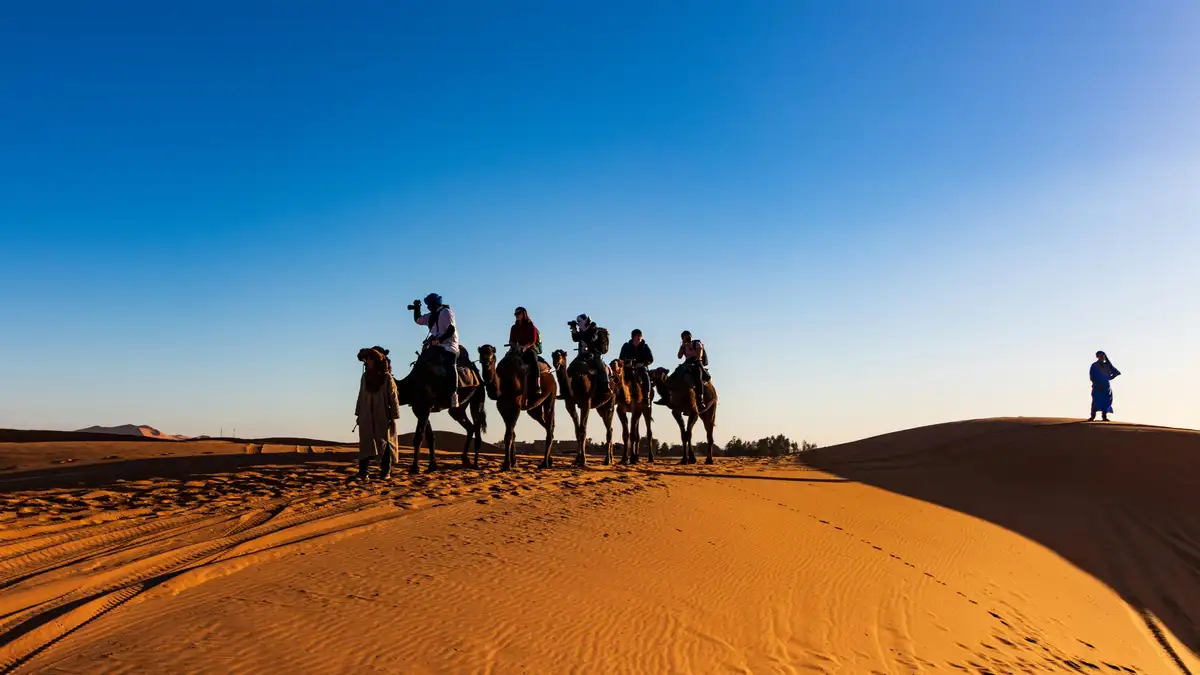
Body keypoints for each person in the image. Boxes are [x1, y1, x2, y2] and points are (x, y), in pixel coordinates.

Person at [355, 347, 400, 480]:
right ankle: (364, 471)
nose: (367, 361)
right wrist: (358, 414)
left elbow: (393, 397)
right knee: (365, 442)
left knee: (384, 442)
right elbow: (361, 394)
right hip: (366, 413)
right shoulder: (365, 376)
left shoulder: (387, 378)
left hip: (382, 413)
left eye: (369, 358)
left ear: (375, 360)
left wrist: (394, 416)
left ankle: (386, 471)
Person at [410, 293, 460, 407]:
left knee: (450, 364)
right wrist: (416, 308)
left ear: (435, 304)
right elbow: (418, 320)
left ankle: (453, 394)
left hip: (449, 345)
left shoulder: (446, 312)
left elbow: (451, 329)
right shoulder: (431, 316)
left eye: (430, 304)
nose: (428, 307)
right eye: (427, 305)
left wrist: (439, 340)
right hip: (434, 346)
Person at [659, 330, 708, 407]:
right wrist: (683, 346)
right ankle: (666, 397)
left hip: (696, 363)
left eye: (688, 337)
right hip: (687, 363)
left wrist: (691, 346)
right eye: (684, 338)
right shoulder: (684, 346)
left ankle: (700, 400)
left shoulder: (697, 344)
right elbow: (679, 356)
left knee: (698, 377)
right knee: (673, 376)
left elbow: (699, 356)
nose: (687, 339)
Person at [568, 314, 610, 392]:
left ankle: (606, 384)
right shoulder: (582, 331)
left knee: (600, 366)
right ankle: (567, 389)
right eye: (578, 322)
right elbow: (576, 338)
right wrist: (574, 330)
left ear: (585, 321)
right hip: (582, 355)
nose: (578, 323)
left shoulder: (594, 330)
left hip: (594, 354)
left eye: (579, 321)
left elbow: (591, 338)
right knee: (570, 368)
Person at [509, 306, 543, 396]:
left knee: (533, 358)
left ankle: (537, 384)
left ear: (523, 314)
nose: (516, 315)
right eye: (515, 314)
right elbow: (511, 340)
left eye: (518, 313)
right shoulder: (514, 328)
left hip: (529, 349)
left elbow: (533, 340)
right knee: (506, 360)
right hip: (517, 349)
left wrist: (525, 347)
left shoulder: (530, 326)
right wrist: (514, 345)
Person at [618, 329, 654, 400]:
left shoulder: (645, 347)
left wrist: (642, 363)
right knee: (618, 377)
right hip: (628, 367)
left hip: (641, 367)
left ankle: (647, 396)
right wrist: (626, 362)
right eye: (637, 337)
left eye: (640, 337)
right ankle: (617, 396)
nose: (639, 339)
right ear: (633, 338)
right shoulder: (626, 346)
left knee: (645, 376)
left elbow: (651, 359)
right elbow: (621, 358)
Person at [1089, 350, 1121, 422]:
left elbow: (1117, 372)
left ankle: (1104, 416)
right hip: (1097, 386)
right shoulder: (1094, 365)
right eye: (1100, 356)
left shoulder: (1107, 365)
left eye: (1103, 356)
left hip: (1106, 386)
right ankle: (1092, 416)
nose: (1102, 357)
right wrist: (1096, 383)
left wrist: (1110, 378)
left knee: (1106, 401)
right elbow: (1092, 376)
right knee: (1096, 401)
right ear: (1097, 357)